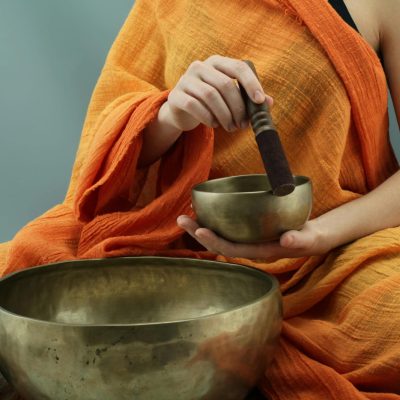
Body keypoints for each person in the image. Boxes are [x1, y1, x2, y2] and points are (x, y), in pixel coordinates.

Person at [0, 0, 399, 398]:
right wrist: (172, 113)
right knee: (30, 272)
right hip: (173, 247)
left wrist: (321, 234)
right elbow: (106, 160)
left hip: (334, 261)